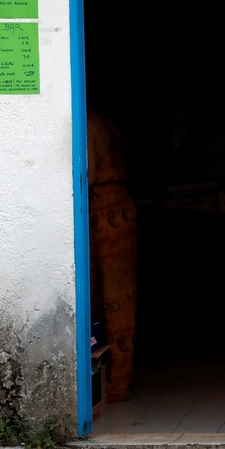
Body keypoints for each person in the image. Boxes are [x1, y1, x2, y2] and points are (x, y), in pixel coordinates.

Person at [87, 108, 137, 402]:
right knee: (123, 299)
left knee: (103, 299)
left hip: (102, 216)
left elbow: (90, 176)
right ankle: (121, 379)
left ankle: (112, 384)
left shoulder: (88, 123)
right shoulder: (108, 121)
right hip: (122, 208)